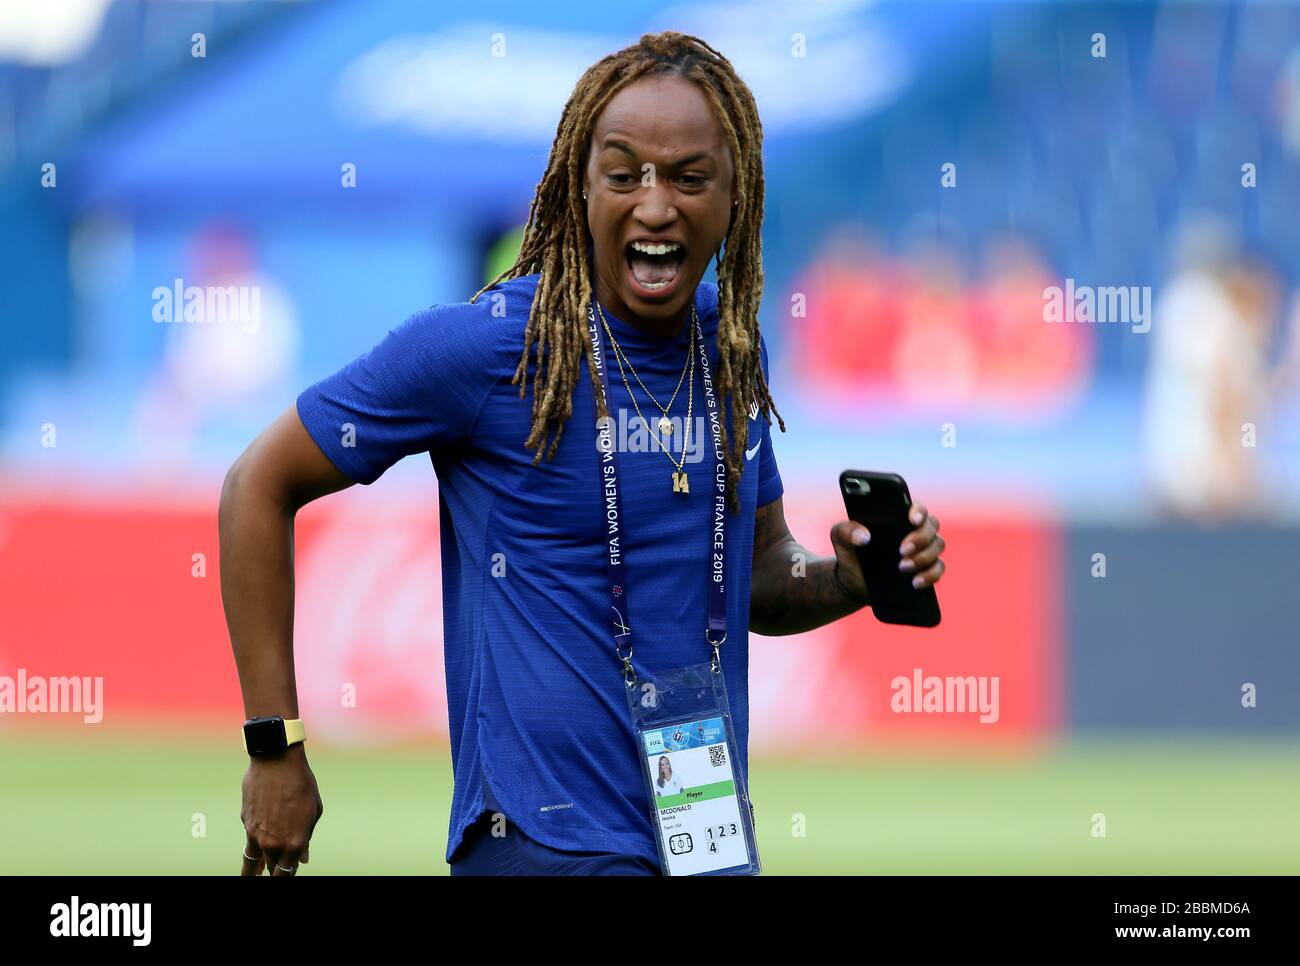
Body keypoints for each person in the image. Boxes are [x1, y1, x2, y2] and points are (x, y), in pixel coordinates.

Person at [220, 30, 947, 878]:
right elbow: (256, 485)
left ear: (735, 192)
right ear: (582, 183)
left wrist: (849, 581)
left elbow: (755, 575)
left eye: (687, 176)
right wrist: (276, 748)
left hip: (705, 845)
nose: (654, 204)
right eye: (624, 172)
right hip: (538, 845)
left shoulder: (729, 349)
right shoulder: (485, 350)